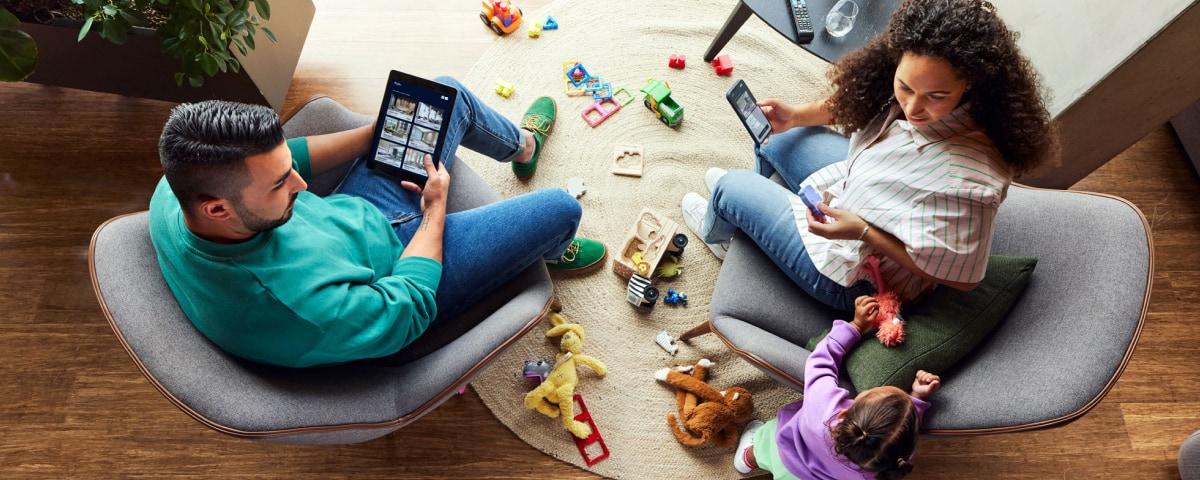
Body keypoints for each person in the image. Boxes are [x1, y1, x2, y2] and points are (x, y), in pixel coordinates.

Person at [149, 76, 607, 368]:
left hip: (359, 214)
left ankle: (523, 147)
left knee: (440, 97)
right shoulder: (299, 311)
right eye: (279, 184)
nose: (302, 185)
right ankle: (551, 251)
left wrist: (377, 133)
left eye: (286, 167)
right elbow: (405, 310)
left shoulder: (179, 186)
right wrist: (434, 213)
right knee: (561, 210)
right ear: (217, 209)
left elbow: (300, 161)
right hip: (399, 274)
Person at [680, 0, 1054, 311]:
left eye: (935, 97)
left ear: (970, 85)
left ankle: (721, 232)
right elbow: (859, 104)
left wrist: (864, 232)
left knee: (729, 188)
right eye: (904, 87)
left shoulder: (974, 179)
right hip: (855, 187)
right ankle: (753, 210)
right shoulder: (913, 84)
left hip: (857, 274)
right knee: (776, 140)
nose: (912, 107)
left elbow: (964, 278)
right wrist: (795, 116)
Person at [733, 296, 942, 479]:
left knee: (764, 445)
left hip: (783, 452)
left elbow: (820, 361)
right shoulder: (890, 462)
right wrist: (916, 398)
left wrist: (855, 326)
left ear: (845, 410)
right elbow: (901, 433)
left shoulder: (825, 405)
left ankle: (747, 459)